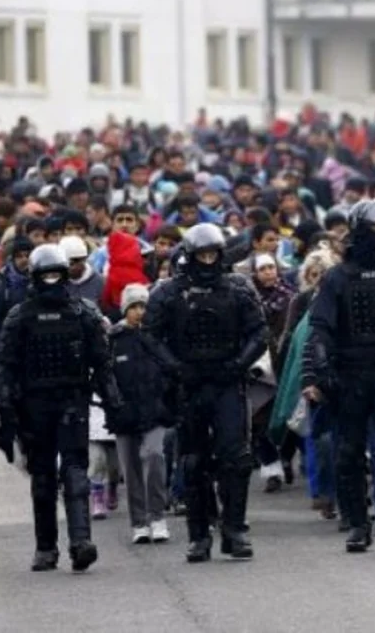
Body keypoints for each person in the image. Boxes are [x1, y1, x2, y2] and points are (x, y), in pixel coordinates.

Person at [302, 197, 375, 554]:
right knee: (349, 452)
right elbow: (321, 328)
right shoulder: (338, 277)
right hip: (350, 376)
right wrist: (322, 370)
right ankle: (358, 525)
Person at [142, 223, 268, 563]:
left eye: (213, 254)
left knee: (236, 458)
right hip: (189, 384)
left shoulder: (238, 289)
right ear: (191, 256)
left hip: (226, 381)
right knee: (194, 462)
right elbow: (150, 335)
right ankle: (199, 536)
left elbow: (259, 332)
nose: (208, 261)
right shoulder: (169, 292)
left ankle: (235, 529)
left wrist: (239, 363)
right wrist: (174, 367)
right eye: (203, 255)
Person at [0, 244, 114, 573]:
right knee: (43, 477)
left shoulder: (83, 312)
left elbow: (101, 362)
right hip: (34, 404)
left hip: (72, 399)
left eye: (56, 275)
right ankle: (45, 547)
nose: (51, 281)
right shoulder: (19, 317)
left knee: (76, 473)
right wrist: (6, 407)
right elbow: (7, 366)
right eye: (44, 275)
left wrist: (114, 403)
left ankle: (80, 543)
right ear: (34, 277)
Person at [106, 284, 173, 544]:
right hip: (124, 413)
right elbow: (105, 375)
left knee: (154, 455)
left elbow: (169, 368)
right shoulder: (114, 338)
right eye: (134, 307)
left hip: (155, 410)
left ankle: (158, 516)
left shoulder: (157, 336)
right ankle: (139, 521)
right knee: (131, 467)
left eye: (143, 306)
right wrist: (113, 402)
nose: (139, 312)